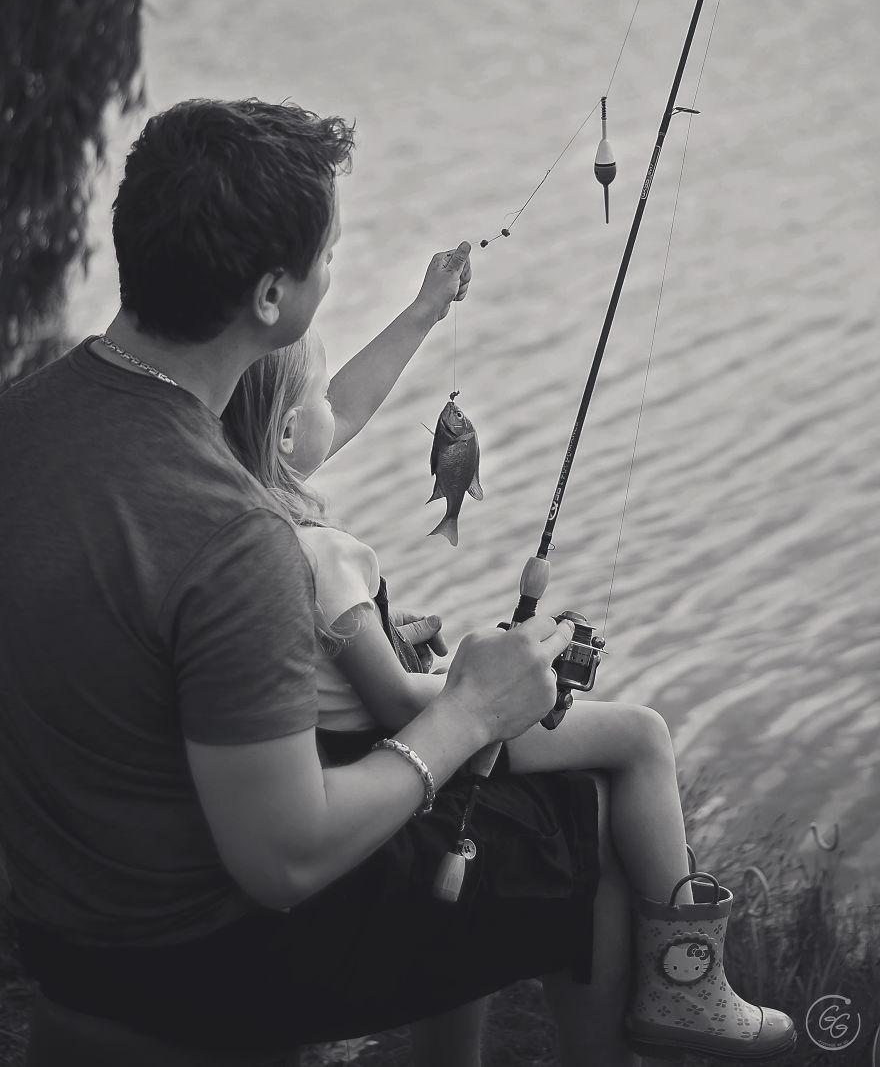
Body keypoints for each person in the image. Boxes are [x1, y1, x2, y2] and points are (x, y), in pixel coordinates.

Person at [0, 97, 633, 1067]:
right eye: (329, 255)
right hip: (203, 956)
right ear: (269, 298)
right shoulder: (233, 534)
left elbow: (320, 416)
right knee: (586, 835)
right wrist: (467, 710)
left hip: (58, 925)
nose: (334, 272)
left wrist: (423, 313)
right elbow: (284, 859)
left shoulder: (27, 420)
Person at [223, 325, 798, 1064]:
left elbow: (328, 667)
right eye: (322, 402)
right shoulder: (321, 552)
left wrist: (429, 306)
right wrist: (484, 685)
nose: (338, 413)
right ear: (292, 431)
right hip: (405, 750)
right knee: (642, 735)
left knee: (594, 758)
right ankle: (690, 981)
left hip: (354, 751)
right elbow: (401, 704)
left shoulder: (247, 527)